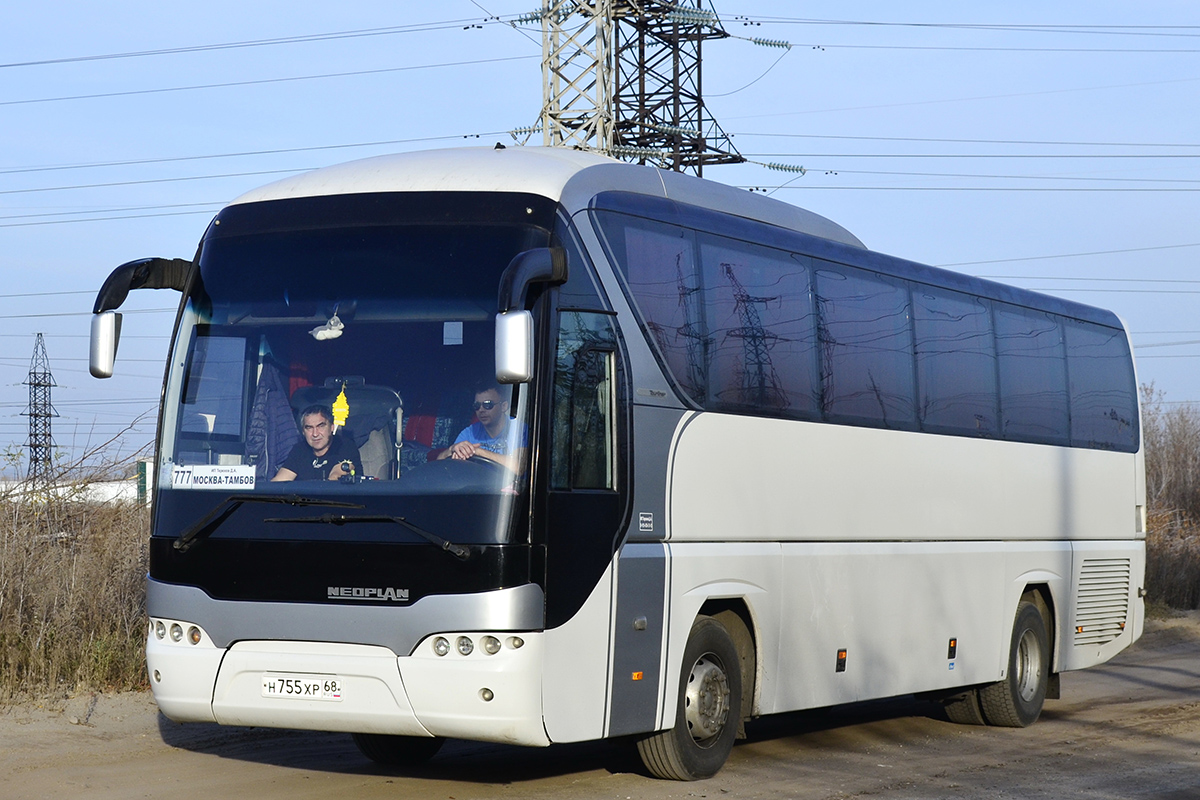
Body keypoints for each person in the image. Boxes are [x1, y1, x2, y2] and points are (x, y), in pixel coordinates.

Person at [438, 383, 527, 472]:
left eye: (488, 405)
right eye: (477, 406)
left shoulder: (517, 429)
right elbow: (438, 465)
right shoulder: (470, 432)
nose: (481, 410)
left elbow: (518, 467)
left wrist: (476, 452)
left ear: (504, 406)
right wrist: (451, 449)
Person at [272, 404, 363, 481]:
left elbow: (335, 476)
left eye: (321, 426)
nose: (315, 434)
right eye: (309, 428)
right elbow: (279, 482)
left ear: (332, 427)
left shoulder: (345, 446)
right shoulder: (299, 449)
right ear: (303, 432)